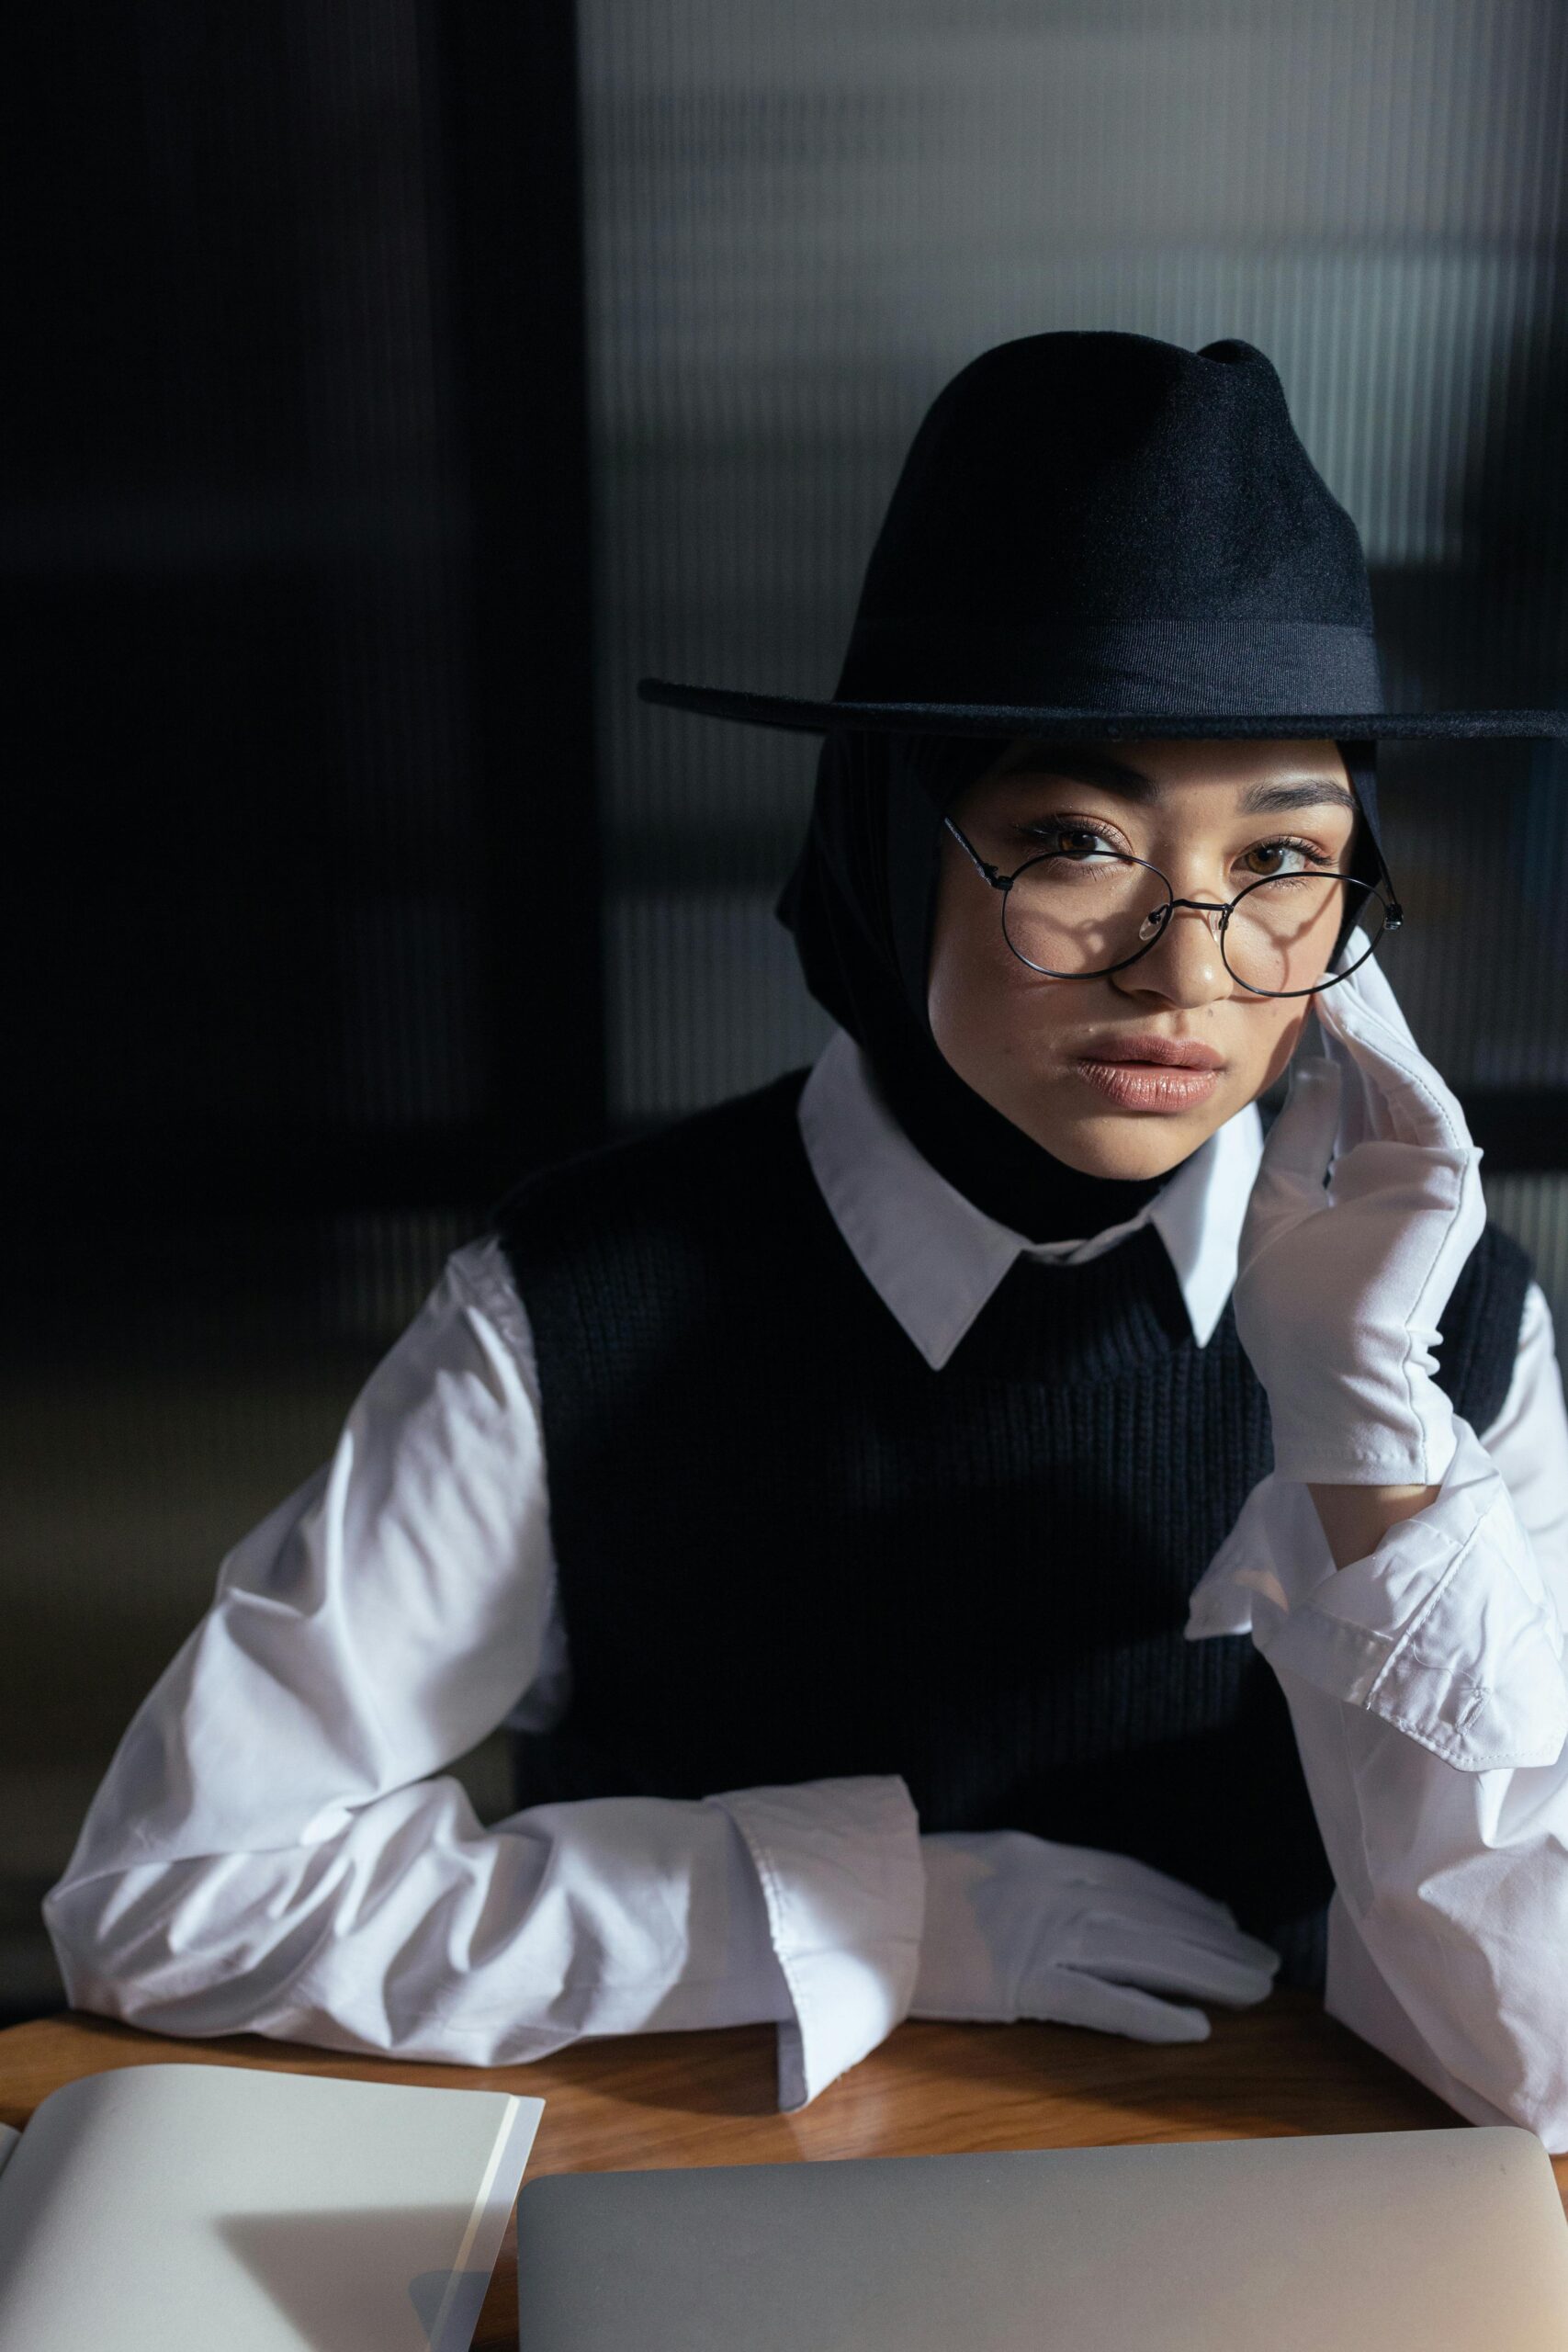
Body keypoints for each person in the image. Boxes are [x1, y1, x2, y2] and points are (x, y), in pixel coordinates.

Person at [45, 333, 1568, 2136]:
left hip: (1251, 2199)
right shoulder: (584, 1299)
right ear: (881, 844)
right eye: (1074, 839)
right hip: (709, 2165)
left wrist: (1369, 1443)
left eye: (1280, 862)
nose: (1185, 967)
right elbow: (168, 1897)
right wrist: (873, 1905)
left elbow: (1532, 2056)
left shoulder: (1437, 1313)